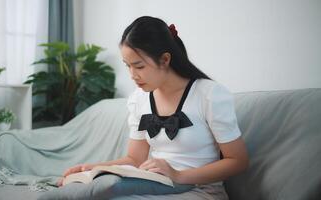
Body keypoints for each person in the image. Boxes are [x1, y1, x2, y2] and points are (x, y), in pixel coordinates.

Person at [61, 16, 249, 199]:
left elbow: (238, 161)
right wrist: (92, 168)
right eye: (128, 66)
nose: (132, 75)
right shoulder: (139, 99)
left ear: (165, 59)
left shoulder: (209, 94)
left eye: (139, 66)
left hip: (201, 191)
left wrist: (178, 175)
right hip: (154, 186)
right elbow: (135, 160)